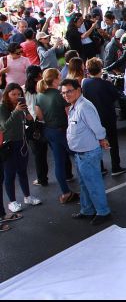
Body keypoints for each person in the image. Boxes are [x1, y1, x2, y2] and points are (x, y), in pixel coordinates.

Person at [61, 78, 113, 226]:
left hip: (88, 153)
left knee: (93, 183)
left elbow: (97, 127)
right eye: (63, 93)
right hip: (80, 153)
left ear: (78, 90)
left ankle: (103, 212)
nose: (66, 95)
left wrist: (102, 139)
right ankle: (87, 210)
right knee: (84, 184)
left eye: (69, 91)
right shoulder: (74, 106)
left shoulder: (84, 107)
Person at [35, 68, 77, 204]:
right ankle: (87, 187)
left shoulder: (39, 95)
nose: (61, 76)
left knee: (58, 162)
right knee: (79, 156)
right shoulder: (59, 95)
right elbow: (69, 113)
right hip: (62, 130)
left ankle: (65, 192)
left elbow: (40, 116)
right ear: (55, 79)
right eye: (59, 75)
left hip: (49, 131)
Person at [0, 83, 41, 214]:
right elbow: (5, 126)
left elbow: (27, 122)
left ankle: (27, 197)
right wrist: (16, 111)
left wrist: (28, 116)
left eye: (19, 94)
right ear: (7, 94)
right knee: (9, 174)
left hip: (21, 142)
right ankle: (12, 202)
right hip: (8, 144)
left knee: (22, 170)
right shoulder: (2, 108)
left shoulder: (20, 106)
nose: (16, 97)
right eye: (13, 94)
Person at [82, 58, 126, 176]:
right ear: (100, 69)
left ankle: (100, 168)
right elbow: (116, 96)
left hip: (94, 117)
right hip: (108, 115)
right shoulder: (105, 83)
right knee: (112, 141)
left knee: (96, 142)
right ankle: (115, 167)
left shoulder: (85, 83)